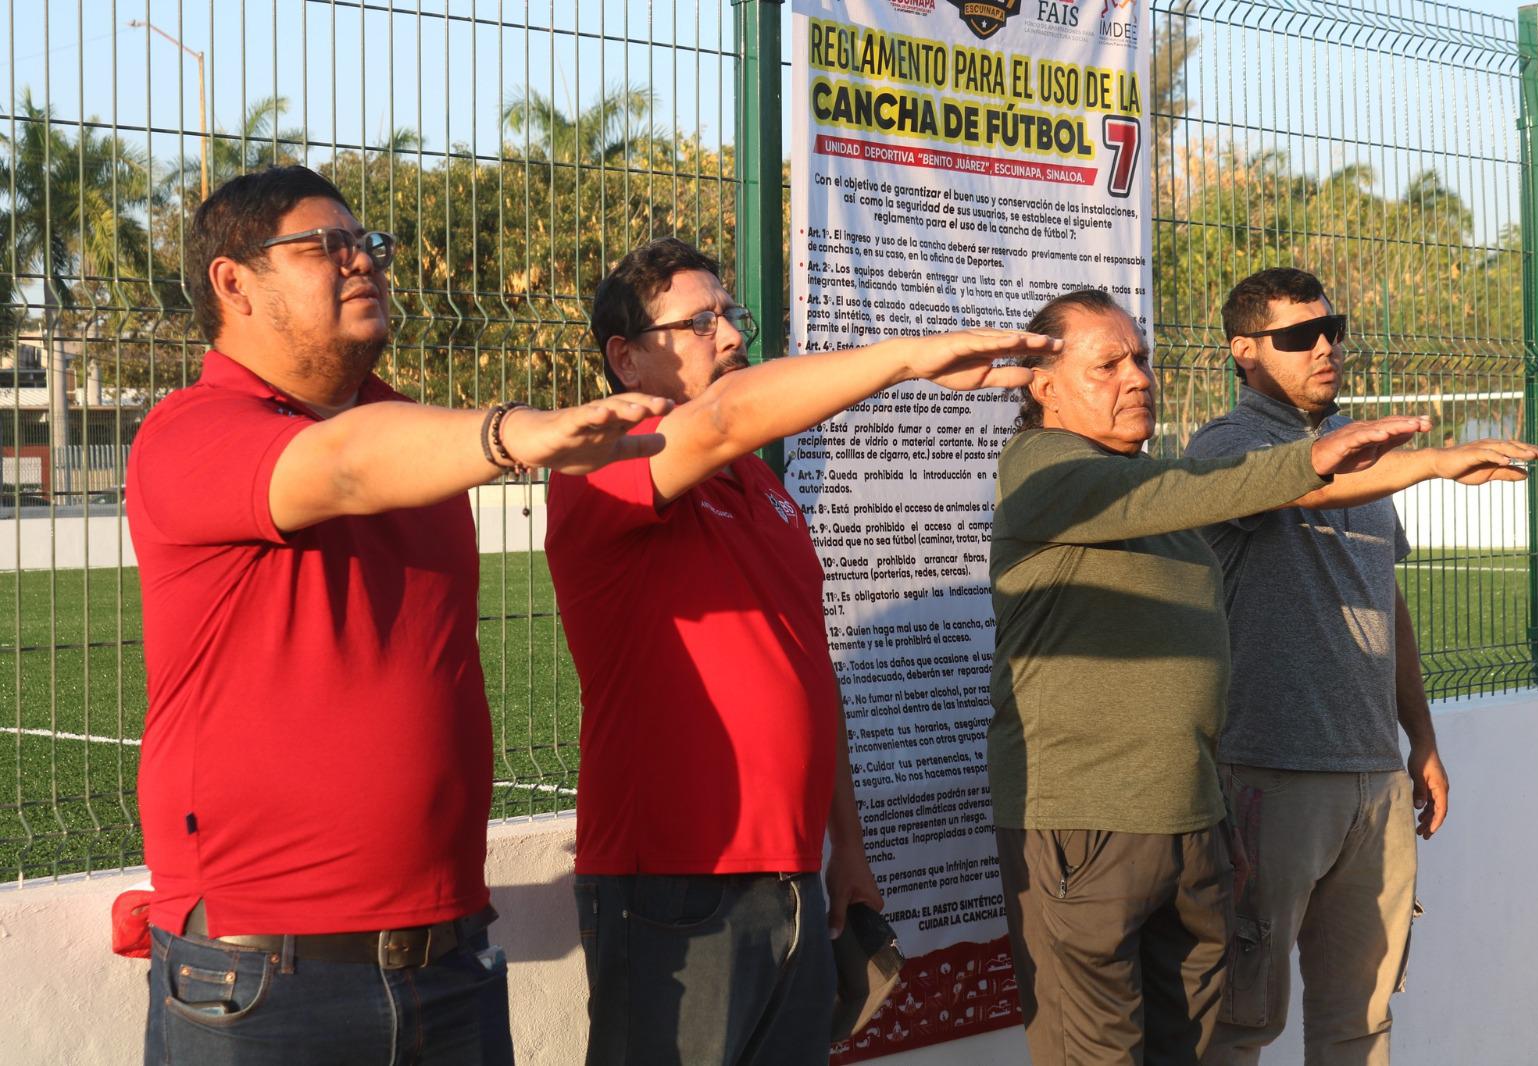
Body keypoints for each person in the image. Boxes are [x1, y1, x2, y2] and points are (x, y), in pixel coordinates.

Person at [128, 165, 671, 1066]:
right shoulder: (192, 431)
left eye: (366, 243)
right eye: (323, 247)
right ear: (233, 283)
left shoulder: (411, 433)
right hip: (259, 982)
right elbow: (337, 465)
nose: (363, 261)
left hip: (449, 962)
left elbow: (374, 446)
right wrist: (511, 433)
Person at [543, 236, 1061, 1065]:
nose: (731, 336)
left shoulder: (764, 489)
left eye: (732, 315)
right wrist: (906, 359)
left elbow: (808, 677)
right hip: (674, 881)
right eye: (700, 321)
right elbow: (723, 415)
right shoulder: (596, 460)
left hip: (790, 875)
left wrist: (845, 849)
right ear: (627, 358)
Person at [986, 288, 1434, 1066]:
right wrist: (1359, 462)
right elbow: (1198, 488)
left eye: (1142, 359)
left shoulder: (1148, 483)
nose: (1137, 378)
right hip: (1086, 826)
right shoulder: (1044, 471)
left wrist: (1220, 816)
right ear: (1042, 385)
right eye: (1108, 364)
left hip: (1192, 827)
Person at [1187, 267, 1538, 1066]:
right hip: (1268, 773)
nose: (1324, 347)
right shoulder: (1226, 447)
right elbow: (1306, 487)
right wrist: (1432, 461)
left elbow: (1387, 599)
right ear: (1244, 352)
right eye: (1296, 336)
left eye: (1330, 329)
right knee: (1239, 1023)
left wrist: (1418, 739)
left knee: (1361, 1025)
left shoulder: (1369, 456)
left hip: (1373, 778)